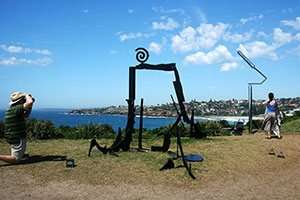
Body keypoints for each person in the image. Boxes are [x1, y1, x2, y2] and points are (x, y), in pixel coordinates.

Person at [0, 92, 34, 164]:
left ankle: (20, 154)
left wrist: (30, 106)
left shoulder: (11, 109)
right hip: (17, 138)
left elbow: (26, 115)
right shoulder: (17, 109)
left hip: (11, 136)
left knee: (17, 150)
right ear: (20, 101)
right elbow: (30, 101)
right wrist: (27, 95)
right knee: (16, 160)